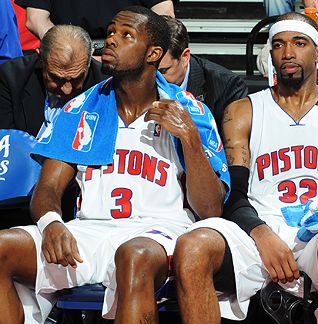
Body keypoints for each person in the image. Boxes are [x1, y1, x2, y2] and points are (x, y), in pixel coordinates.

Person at [0, 6, 229, 323]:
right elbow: (48, 187)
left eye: (126, 35)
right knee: (1, 248)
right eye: (110, 32)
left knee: (132, 256)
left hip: (159, 233)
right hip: (90, 234)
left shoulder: (189, 109)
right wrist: (51, 222)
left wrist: (190, 139)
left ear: (153, 53)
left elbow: (210, 210)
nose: (110, 40)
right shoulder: (81, 107)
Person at [173, 12, 318, 324]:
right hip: (256, 229)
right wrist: (261, 234)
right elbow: (234, 194)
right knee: (191, 247)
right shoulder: (244, 110)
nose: (287, 53)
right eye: (278, 45)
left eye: (299, 43)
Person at [0, 24, 105, 137]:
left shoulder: (105, 86)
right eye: (58, 79)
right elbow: (6, 142)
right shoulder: (11, 78)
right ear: (40, 59)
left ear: (88, 62)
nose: (67, 90)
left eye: (77, 79)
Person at [159, 15, 249, 133]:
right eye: (148, 69)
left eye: (163, 71)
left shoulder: (227, 87)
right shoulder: (133, 77)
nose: (155, 78)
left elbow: (231, 146)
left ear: (185, 57)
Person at [15, 0, 175, 55]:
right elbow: (35, 19)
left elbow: (164, 14)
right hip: (71, 62)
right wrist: (70, 50)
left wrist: (138, 52)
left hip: (131, 56)